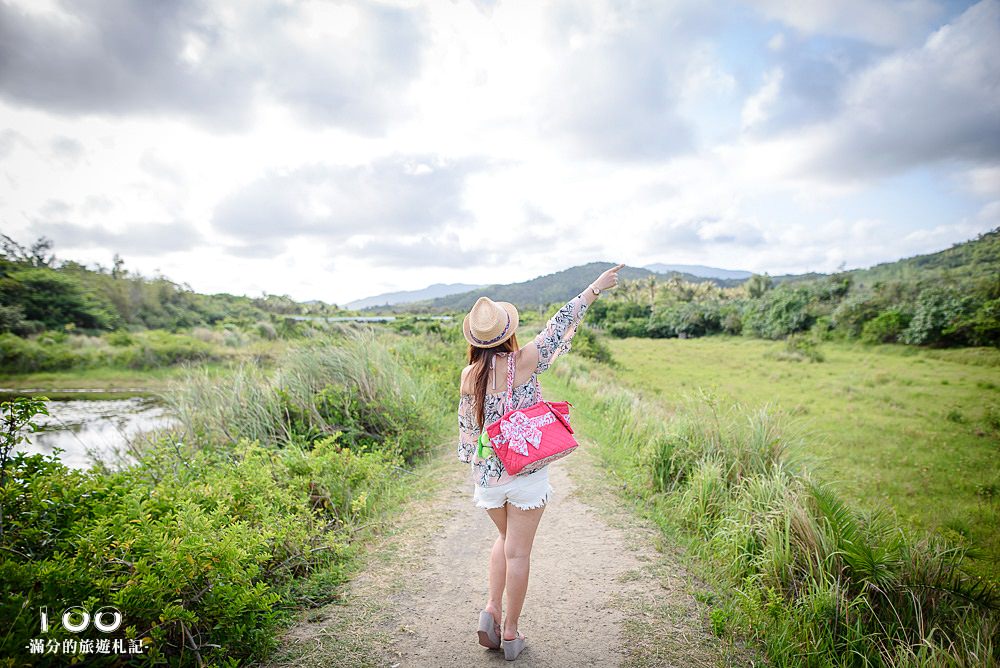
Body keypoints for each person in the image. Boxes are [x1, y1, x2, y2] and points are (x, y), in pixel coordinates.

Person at [457, 263, 625, 660]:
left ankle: (490, 610)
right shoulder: (525, 360)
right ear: (508, 331)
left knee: (503, 540)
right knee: (518, 552)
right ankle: (511, 635)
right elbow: (559, 324)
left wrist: (480, 468)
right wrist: (595, 289)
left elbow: (467, 434)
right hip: (527, 473)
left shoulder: (469, 375)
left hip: (490, 480)